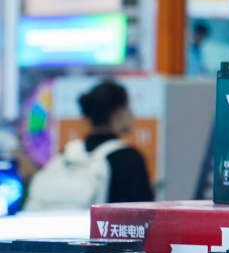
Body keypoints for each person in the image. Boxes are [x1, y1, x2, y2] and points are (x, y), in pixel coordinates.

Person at [24, 80, 154, 210]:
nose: (132, 114)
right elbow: (144, 212)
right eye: (129, 108)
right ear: (118, 113)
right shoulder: (129, 159)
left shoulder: (67, 153)